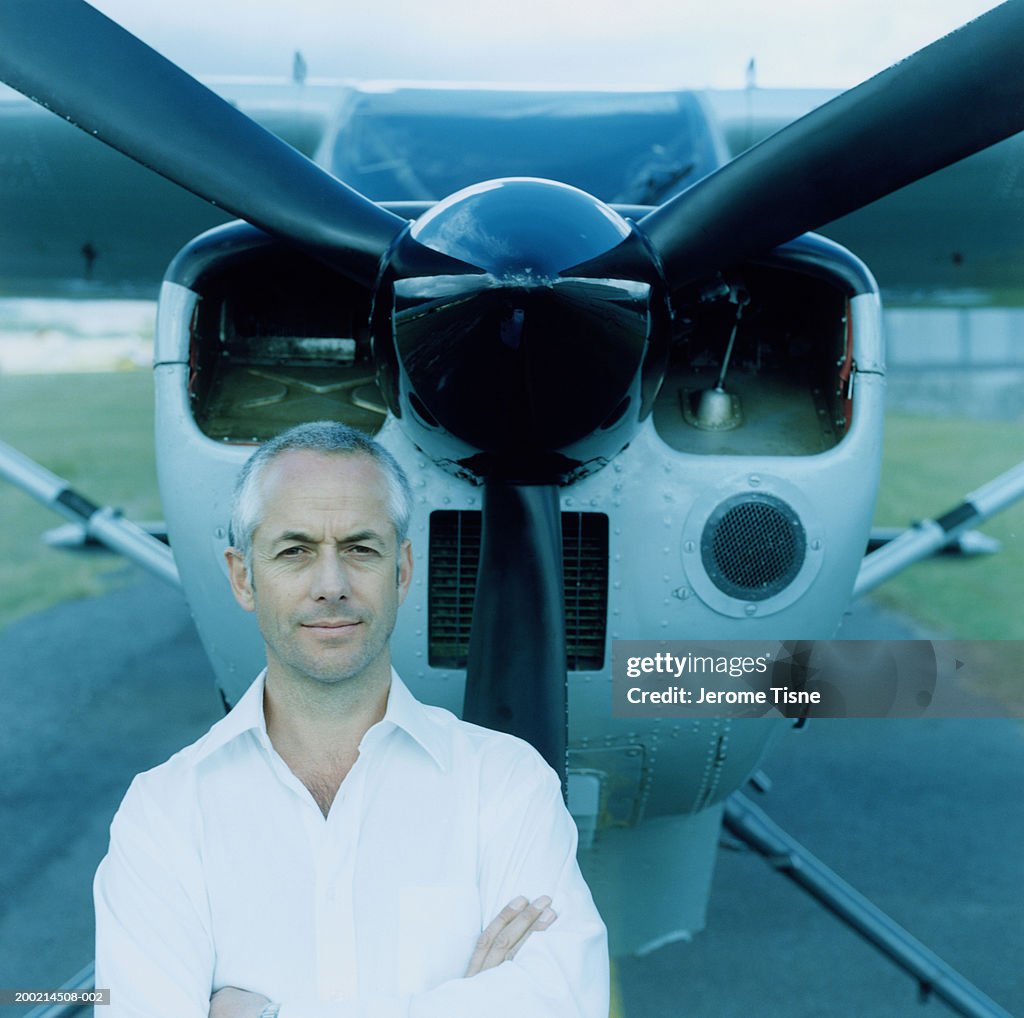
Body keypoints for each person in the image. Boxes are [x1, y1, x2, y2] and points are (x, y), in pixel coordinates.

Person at [94, 421, 609, 1018]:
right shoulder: (163, 812)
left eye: (361, 549)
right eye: (295, 551)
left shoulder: (508, 782)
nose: (331, 585)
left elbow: (561, 1004)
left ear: (403, 570)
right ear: (243, 577)